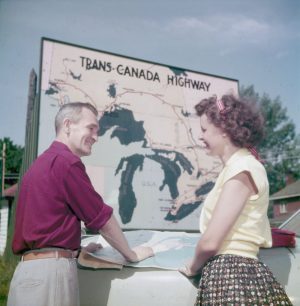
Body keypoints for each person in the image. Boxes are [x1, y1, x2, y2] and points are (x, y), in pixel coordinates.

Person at [7, 102, 154, 306]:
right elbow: (101, 218)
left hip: (27, 274)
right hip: (51, 276)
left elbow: (44, 228)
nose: (96, 136)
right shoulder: (67, 163)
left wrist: (76, 249)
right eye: (91, 128)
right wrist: (131, 254)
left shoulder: (42, 163)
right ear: (67, 125)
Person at [178, 94, 292, 305]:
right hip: (233, 274)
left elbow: (211, 242)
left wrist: (192, 267)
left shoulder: (243, 168)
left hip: (233, 276)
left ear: (223, 129)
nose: (200, 136)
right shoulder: (237, 167)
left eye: (204, 129)